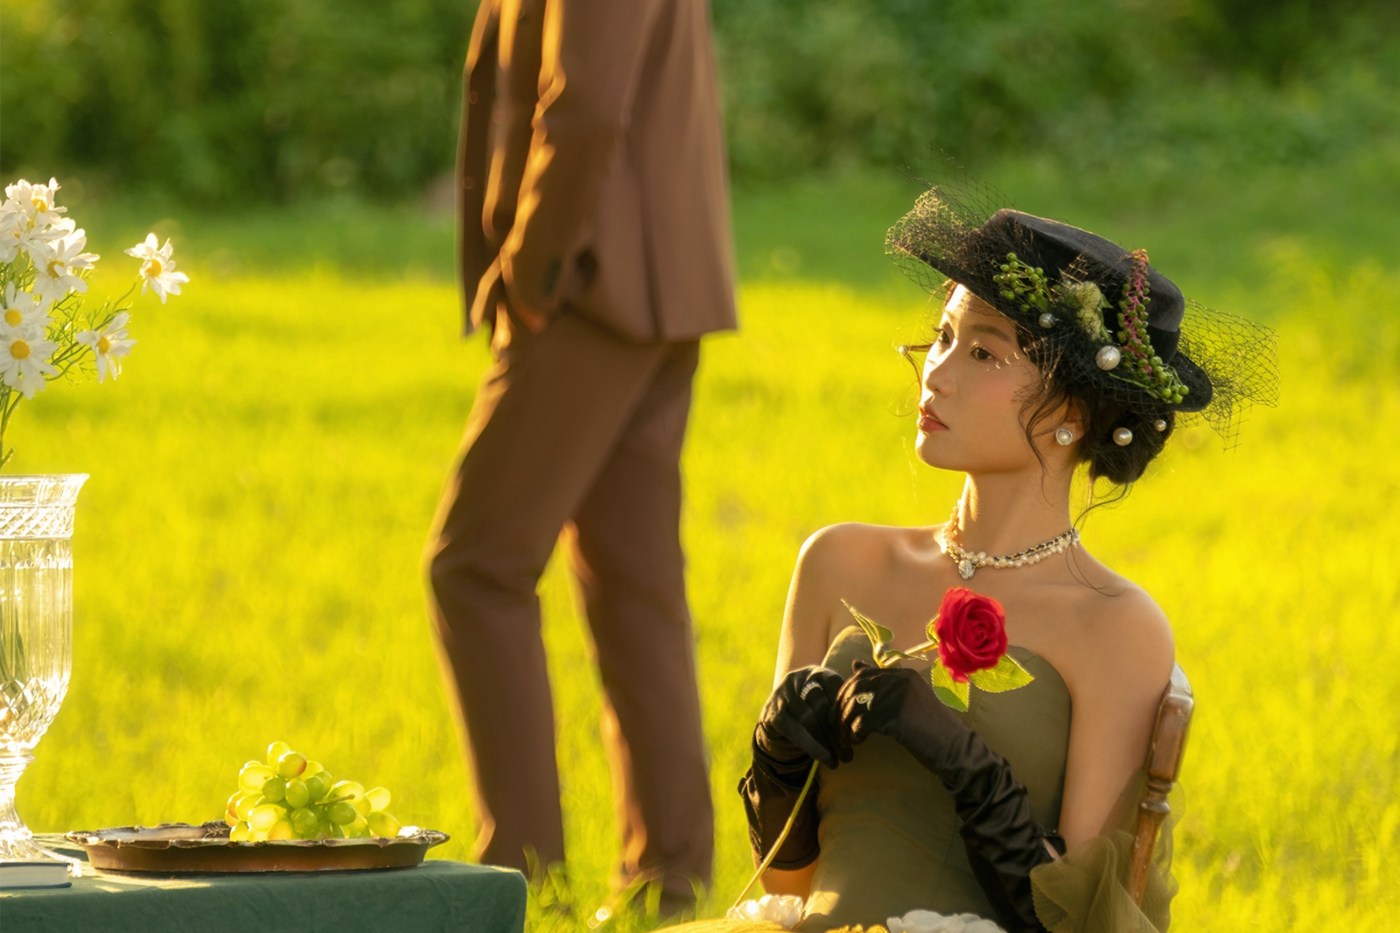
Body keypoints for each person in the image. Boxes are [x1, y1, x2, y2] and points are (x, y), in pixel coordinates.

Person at [667, 182, 1276, 932]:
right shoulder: (836, 561)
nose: (937, 371)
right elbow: (786, 881)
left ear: (1073, 409)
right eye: (943, 336)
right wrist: (778, 760)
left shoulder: (1116, 625)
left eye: (983, 351)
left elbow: (1084, 921)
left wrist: (967, 766)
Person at [423, 0, 736, 914]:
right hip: (655, 278)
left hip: (589, 281)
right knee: (634, 584)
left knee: (476, 567)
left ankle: (520, 882)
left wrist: (533, 265)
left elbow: (588, 100)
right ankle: (669, 886)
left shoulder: (562, 274)